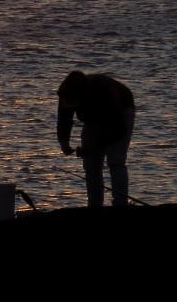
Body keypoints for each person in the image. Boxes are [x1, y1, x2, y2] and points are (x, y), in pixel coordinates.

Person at [56, 70, 135, 207]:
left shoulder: (104, 91)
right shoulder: (65, 93)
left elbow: (120, 130)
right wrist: (64, 142)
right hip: (92, 120)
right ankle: (94, 205)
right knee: (90, 165)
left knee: (115, 160)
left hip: (119, 114)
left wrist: (93, 147)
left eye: (74, 105)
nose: (70, 107)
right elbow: (63, 120)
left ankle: (120, 203)